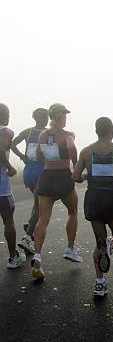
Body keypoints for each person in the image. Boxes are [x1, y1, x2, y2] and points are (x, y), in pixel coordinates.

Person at [73, 117, 113, 297]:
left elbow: (75, 176)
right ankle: (110, 244)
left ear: (96, 131)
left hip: (93, 198)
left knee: (98, 243)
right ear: (112, 131)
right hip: (112, 198)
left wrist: (85, 177)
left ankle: (99, 283)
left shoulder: (86, 151)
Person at [31, 103, 82, 280]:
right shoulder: (67, 135)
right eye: (65, 115)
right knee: (73, 211)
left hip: (46, 176)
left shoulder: (43, 135)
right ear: (60, 116)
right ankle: (69, 248)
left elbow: (38, 156)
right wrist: (76, 167)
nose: (66, 118)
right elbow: (73, 149)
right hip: (63, 177)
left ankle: (37, 255)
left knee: (43, 218)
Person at [11, 108, 49, 254]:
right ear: (44, 118)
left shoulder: (28, 132)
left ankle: (30, 225)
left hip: (29, 172)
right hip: (41, 172)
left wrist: (22, 156)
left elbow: (13, 143)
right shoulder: (47, 133)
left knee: (37, 203)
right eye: (46, 117)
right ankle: (27, 238)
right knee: (41, 206)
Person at [0, 104, 26, 269]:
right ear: (5, 115)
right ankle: (13, 258)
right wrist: (9, 167)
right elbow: (0, 149)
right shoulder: (6, 131)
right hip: (2, 189)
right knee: (8, 221)